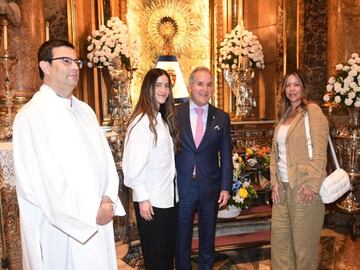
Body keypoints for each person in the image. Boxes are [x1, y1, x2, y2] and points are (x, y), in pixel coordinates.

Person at [13, 39, 125, 270]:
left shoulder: (85, 110)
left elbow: (106, 162)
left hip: (99, 218)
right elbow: (43, 181)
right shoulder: (31, 116)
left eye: (76, 61)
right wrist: (89, 211)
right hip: (61, 229)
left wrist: (107, 199)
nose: (75, 67)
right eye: (66, 61)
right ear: (45, 66)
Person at [270, 69, 329, 269]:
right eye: (288, 85)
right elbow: (274, 153)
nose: (292, 89)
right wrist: (275, 183)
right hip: (282, 190)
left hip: (304, 188)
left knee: (304, 250)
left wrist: (312, 185)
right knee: (280, 247)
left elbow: (321, 152)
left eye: (296, 84)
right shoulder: (285, 114)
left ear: (303, 87)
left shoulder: (312, 111)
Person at [175, 66, 233, 270]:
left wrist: (226, 187)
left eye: (209, 84)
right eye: (200, 84)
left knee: (208, 239)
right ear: (191, 87)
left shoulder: (221, 117)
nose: (204, 89)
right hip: (183, 187)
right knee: (181, 238)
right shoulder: (175, 113)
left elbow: (226, 155)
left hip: (210, 187)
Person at [122, 68, 180, 270]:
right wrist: (143, 199)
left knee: (166, 257)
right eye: (158, 85)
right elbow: (132, 167)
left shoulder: (161, 119)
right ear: (148, 88)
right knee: (156, 259)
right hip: (152, 202)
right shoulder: (141, 122)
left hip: (168, 198)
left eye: (166, 85)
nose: (163, 90)